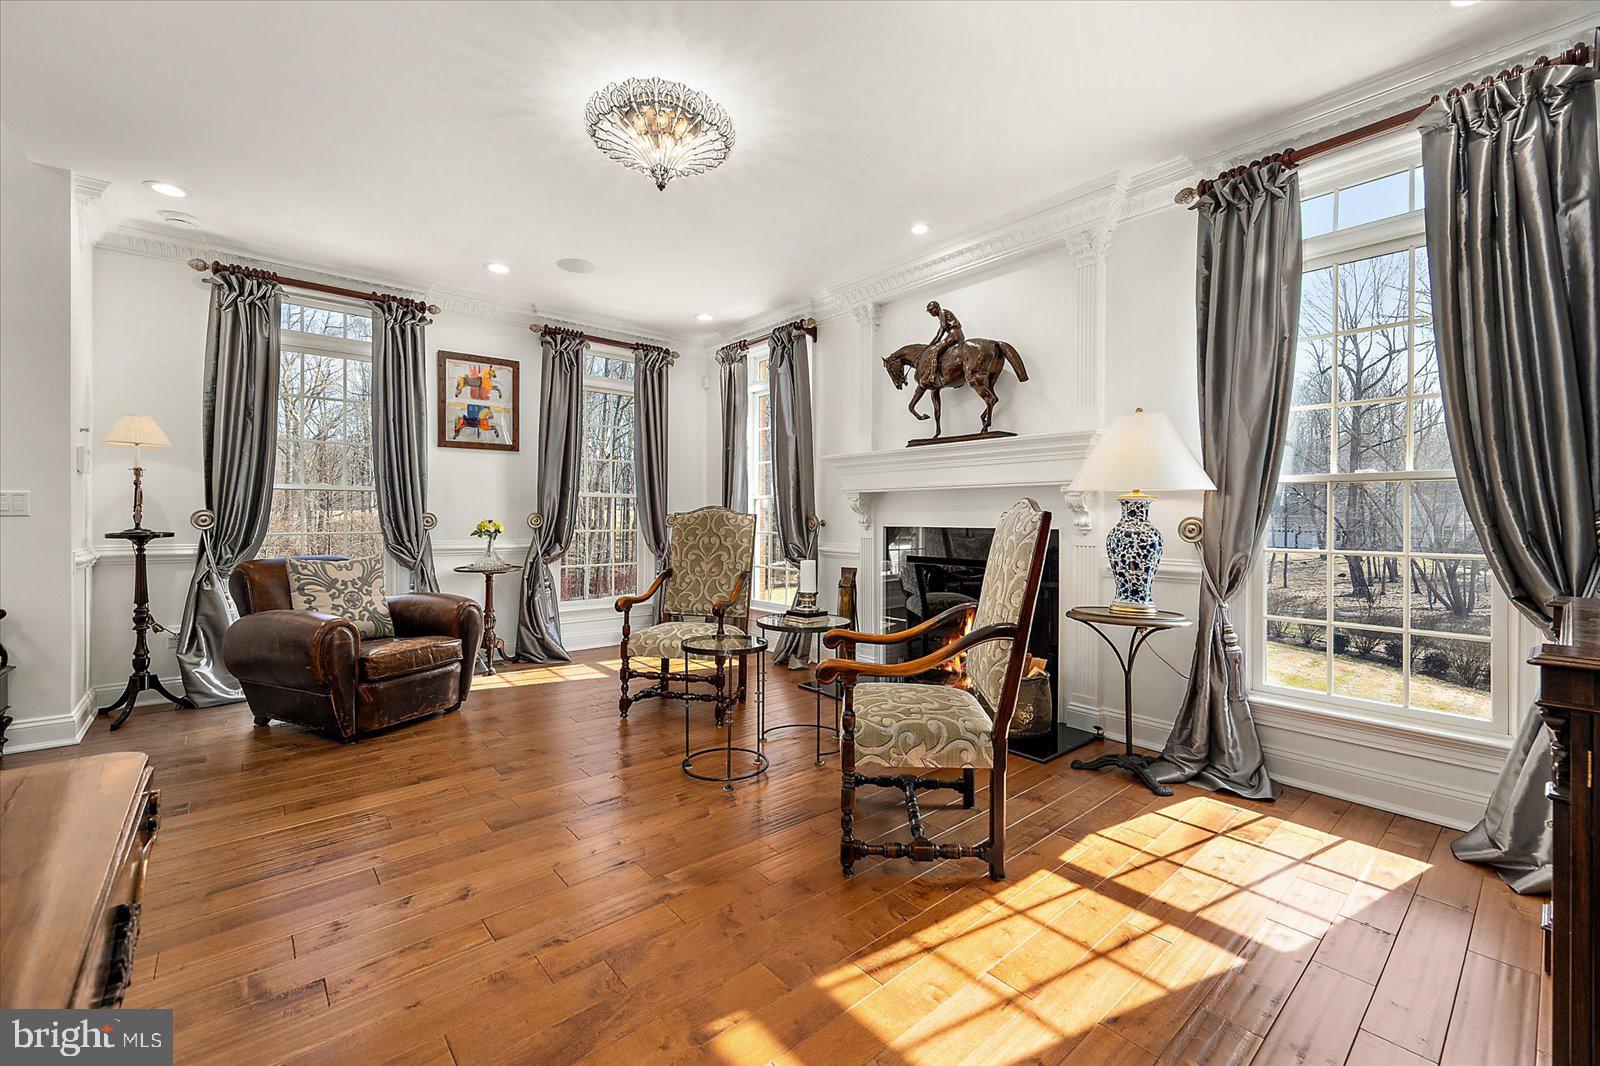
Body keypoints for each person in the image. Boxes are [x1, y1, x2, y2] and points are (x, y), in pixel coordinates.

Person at [921, 301, 964, 386]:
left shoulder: (942, 312)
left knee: (935, 351)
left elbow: (942, 328)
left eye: (931, 310)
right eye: (929, 311)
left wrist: (934, 342)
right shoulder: (942, 314)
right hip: (959, 335)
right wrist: (934, 341)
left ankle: (932, 376)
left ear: (936, 308)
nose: (930, 313)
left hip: (953, 335)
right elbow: (940, 331)